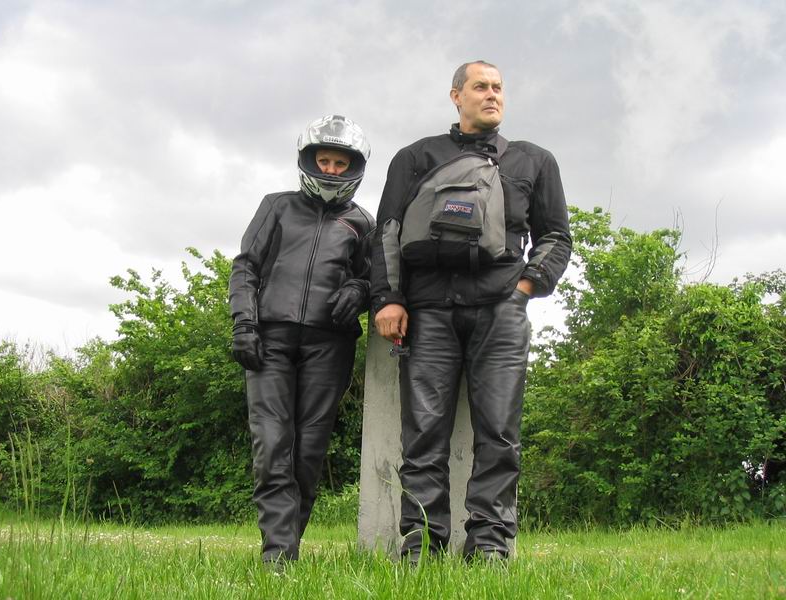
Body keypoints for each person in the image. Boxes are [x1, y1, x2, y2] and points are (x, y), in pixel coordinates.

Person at [370, 61, 572, 561]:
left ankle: (489, 546)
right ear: (456, 96)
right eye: (480, 86)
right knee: (423, 435)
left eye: (498, 87)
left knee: (500, 433)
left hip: (501, 312)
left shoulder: (534, 160)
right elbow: (387, 231)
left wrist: (524, 289)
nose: (492, 95)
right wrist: (389, 297)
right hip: (429, 313)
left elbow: (555, 236)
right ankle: (421, 546)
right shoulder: (415, 157)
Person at [228, 114, 375, 566]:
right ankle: (277, 556)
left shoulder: (362, 222)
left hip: (330, 346)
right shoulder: (276, 206)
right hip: (269, 340)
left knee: (308, 451)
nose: (331, 169)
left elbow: (375, 277)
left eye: (340, 163)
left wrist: (359, 290)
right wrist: (244, 324)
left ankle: (286, 550)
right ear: (309, 160)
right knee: (272, 443)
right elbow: (245, 266)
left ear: (354, 167)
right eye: (324, 160)